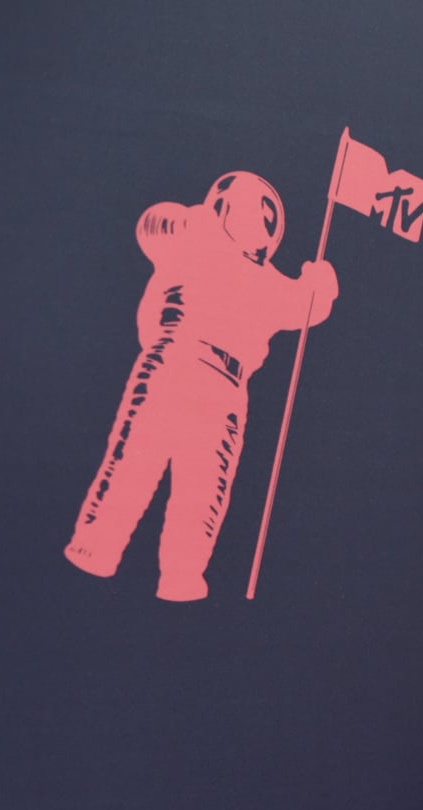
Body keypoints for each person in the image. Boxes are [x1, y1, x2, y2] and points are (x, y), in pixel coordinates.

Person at [64, 172, 339, 601]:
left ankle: (183, 575)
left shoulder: (266, 281)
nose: (262, 220)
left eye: (269, 216)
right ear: (225, 204)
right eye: (255, 207)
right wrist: (195, 223)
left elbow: (305, 305)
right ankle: (94, 545)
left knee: (205, 487)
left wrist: (320, 282)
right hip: (173, 357)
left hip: (227, 386)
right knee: (135, 459)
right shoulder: (192, 238)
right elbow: (151, 225)